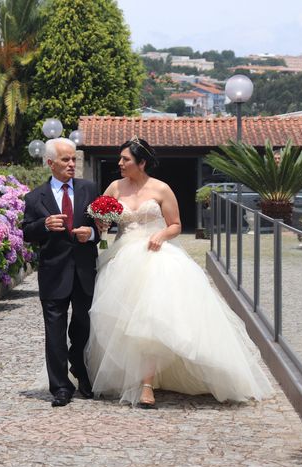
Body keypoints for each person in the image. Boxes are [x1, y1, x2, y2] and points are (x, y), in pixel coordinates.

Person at [86, 136, 273, 408]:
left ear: (142, 162)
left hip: (155, 256)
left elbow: (175, 224)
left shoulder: (161, 189)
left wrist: (161, 235)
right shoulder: (115, 187)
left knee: (150, 319)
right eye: (121, 159)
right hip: (122, 257)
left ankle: (147, 385)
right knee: (122, 320)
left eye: (126, 159)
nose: (120, 163)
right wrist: (101, 223)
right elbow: (103, 220)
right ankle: (124, 375)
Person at [22, 137, 100, 407]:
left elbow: (102, 227)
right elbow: (26, 232)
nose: (71, 164)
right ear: (50, 163)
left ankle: (79, 368)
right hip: (53, 273)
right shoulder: (34, 197)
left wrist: (90, 233)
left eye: (74, 159)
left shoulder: (90, 189)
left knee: (84, 327)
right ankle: (60, 388)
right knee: (54, 331)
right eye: (65, 160)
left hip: (84, 271)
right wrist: (44, 224)